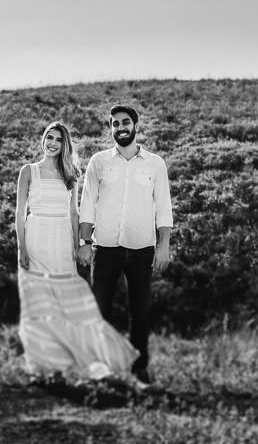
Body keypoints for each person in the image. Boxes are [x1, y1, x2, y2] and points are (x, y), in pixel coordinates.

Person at [15, 121, 138, 381]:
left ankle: (74, 360)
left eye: (58, 140)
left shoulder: (70, 174)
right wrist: (21, 248)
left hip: (61, 239)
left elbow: (74, 213)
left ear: (64, 145)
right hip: (36, 236)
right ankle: (43, 366)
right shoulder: (29, 171)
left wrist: (79, 246)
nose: (52, 143)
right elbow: (19, 212)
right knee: (38, 301)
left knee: (64, 301)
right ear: (43, 139)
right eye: (49, 137)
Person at [78, 104, 173, 385]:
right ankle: (98, 368)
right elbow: (87, 204)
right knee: (100, 309)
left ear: (135, 125)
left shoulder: (155, 163)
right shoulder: (99, 161)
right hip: (105, 248)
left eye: (125, 122)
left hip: (142, 247)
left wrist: (163, 245)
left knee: (140, 310)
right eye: (115, 123)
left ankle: (139, 368)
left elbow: (164, 207)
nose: (120, 127)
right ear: (111, 128)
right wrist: (85, 242)